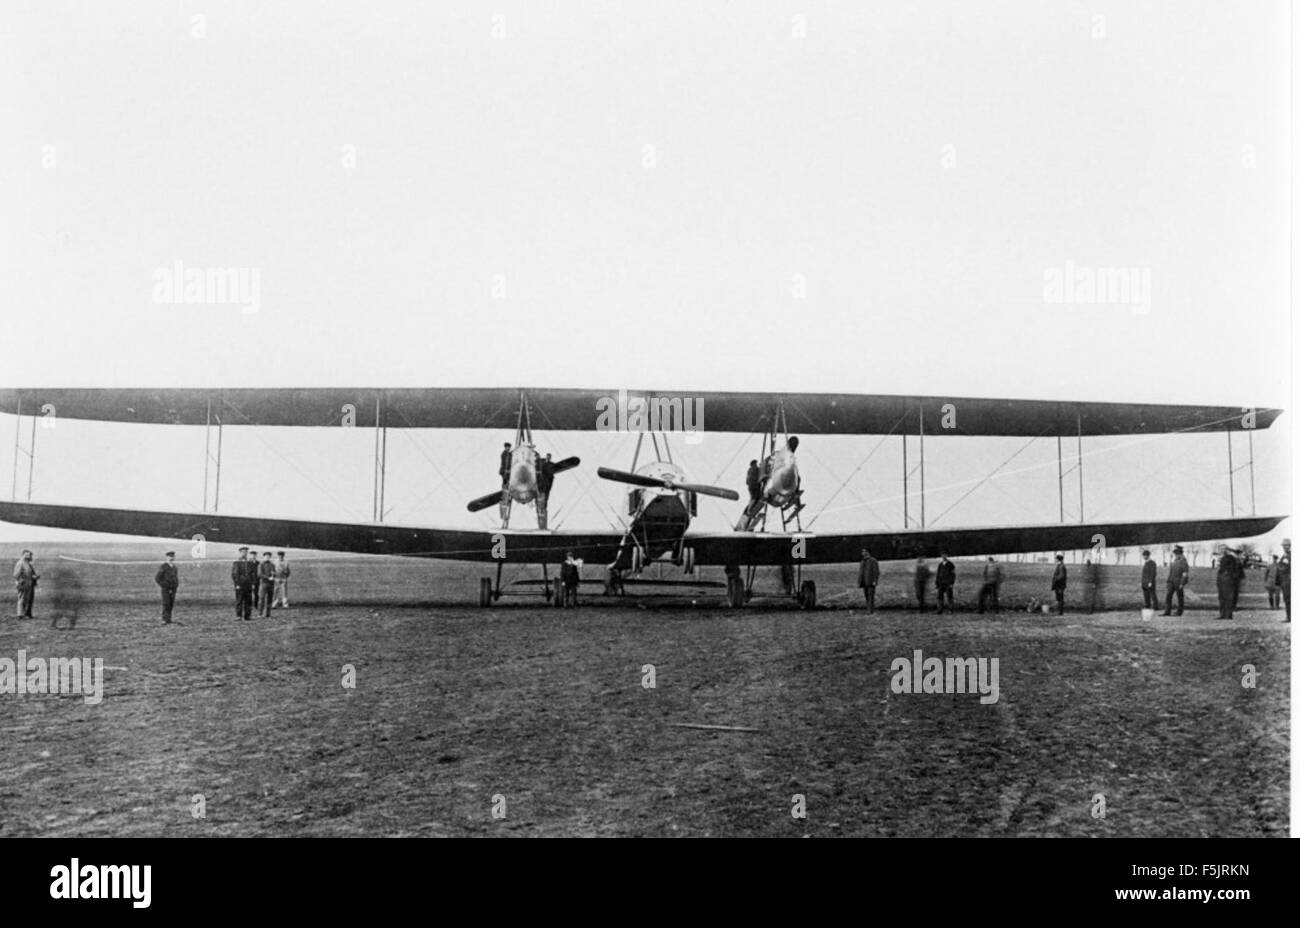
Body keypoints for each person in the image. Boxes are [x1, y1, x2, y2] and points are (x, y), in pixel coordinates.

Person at [1162, 544, 1190, 616]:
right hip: (1172, 582)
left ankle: (1179, 612)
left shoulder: (1183, 562)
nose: (1176, 555)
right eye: (1175, 554)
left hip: (1178, 582)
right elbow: (1171, 572)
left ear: (1180, 554)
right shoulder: (1174, 561)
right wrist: (1168, 581)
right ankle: (1167, 611)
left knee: (1180, 597)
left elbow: (1185, 574)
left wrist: (1182, 583)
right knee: (1168, 596)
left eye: (1177, 554)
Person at [1216, 546, 1241, 620]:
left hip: (1228, 581)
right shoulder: (1224, 558)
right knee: (1222, 598)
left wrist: (1232, 578)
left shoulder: (1230, 558)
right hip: (1222, 581)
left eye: (1223, 550)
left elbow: (1234, 570)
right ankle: (1223, 614)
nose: (1222, 551)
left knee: (1228, 599)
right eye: (1221, 550)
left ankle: (1228, 615)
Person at [231, 547, 256, 621]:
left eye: (246, 552)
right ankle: (238, 616)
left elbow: (253, 574)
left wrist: (253, 583)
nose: (244, 553)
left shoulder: (250, 563)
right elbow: (235, 574)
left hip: (248, 584)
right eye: (243, 552)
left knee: (248, 600)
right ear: (240, 553)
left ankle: (247, 616)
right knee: (239, 600)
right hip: (240, 584)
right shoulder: (237, 562)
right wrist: (237, 584)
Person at [155, 551, 179, 624]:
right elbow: (157, 578)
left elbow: (175, 577)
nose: (171, 558)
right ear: (167, 557)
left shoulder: (174, 567)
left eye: (172, 556)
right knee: (166, 603)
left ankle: (168, 619)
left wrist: (176, 585)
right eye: (170, 556)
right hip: (166, 588)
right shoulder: (164, 566)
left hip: (173, 588)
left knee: (171, 603)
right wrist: (164, 585)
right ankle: (164, 619)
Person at [13, 549, 38, 619]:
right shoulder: (20, 563)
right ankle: (20, 615)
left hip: (29, 584)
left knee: (29, 599)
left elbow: (30, 574)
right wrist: (21, 582)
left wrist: (34, 577)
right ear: (25, 555)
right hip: (23, 584)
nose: (31, 556)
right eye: (29, 555)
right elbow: (16, 575)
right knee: (22, 599)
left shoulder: (28, 564)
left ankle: (28, 613)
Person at [536, 453, 555, 530]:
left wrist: (549, 486)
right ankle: (541, 524)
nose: (548, 458)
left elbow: (551, 477)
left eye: (549, 457)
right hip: (540, 486)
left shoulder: (550, 465)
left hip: (545, 486)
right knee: (539, 503)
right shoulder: (541, 463)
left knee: (544, 503)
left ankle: (543, 525)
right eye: (547, 457)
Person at [857, 548, 880, 613]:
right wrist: (859, 581)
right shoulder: (862, 561)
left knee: (871, 596)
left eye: (864, 551)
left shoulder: (873, 560)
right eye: (862, 551)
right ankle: (868, 609)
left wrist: (875, 581)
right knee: (866, 596)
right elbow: (860, 572)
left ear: (868, 552)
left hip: (870, 581)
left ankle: (870, 610)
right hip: (864, 582)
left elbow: (876, 571)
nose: (862, 553)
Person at [258, 551, 276, 617]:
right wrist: (268, 578)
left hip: (271, 584)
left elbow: (274, 573)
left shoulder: (272, 565)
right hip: (264, 583)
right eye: (266, 556)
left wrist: (274, 575)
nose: (267, 557)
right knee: (262, 599)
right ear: (264, 557)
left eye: (269, 556)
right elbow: (260, 574)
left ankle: (268, 614)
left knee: (270, 599)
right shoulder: (261, 564)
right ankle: (260, 614)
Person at [1277, 538, 1291, 622]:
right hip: (1286, 581)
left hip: (1287, 581)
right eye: (1283, 545)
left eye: (1286, 545)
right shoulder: (1286, 555)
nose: (1284, 547)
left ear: (1289, 546)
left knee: (1288, 599)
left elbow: (1283, 568)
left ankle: (1289, 617)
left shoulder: (1287, 556)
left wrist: (1279, 567)